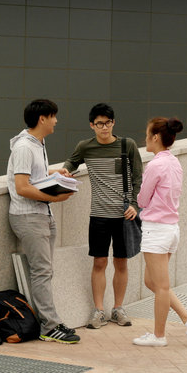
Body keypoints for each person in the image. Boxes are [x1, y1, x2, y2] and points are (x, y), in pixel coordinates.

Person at [63, 103, 142, 329]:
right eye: (99, 124)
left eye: (108, 123)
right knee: (99, 261)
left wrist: (135, 204)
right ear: (92, 125)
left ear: (113, 123)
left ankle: (118, 309)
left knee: (121, 262)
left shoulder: (127, 146)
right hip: (98, 214)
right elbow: (72, 161)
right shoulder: (85, 147)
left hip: (124, 214)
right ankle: (98, 311)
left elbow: (139, 178)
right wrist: (67, 169)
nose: (104, 127)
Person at [7, 99, 80, 344]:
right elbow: (21, 187)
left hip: (42, 214)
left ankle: (51, 322)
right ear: (42, 119)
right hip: (28, 215)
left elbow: (34, 174)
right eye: (53, 116)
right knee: (41, 271)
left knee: (46, 271)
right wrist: (55, 198)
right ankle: (49, 327)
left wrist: (55, 173)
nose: (56, 121)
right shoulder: (24, 147)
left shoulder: (38, 144)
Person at [132, 117, 187, 347]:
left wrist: (142, 203)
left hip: (157, 230)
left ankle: (159, 336)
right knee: (151, 281)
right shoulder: (174, 162)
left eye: (146, 134)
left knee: (159, 286)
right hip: (171, 230)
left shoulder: (155, 165)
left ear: (155, 137)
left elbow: (142, 199)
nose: (145, 138)